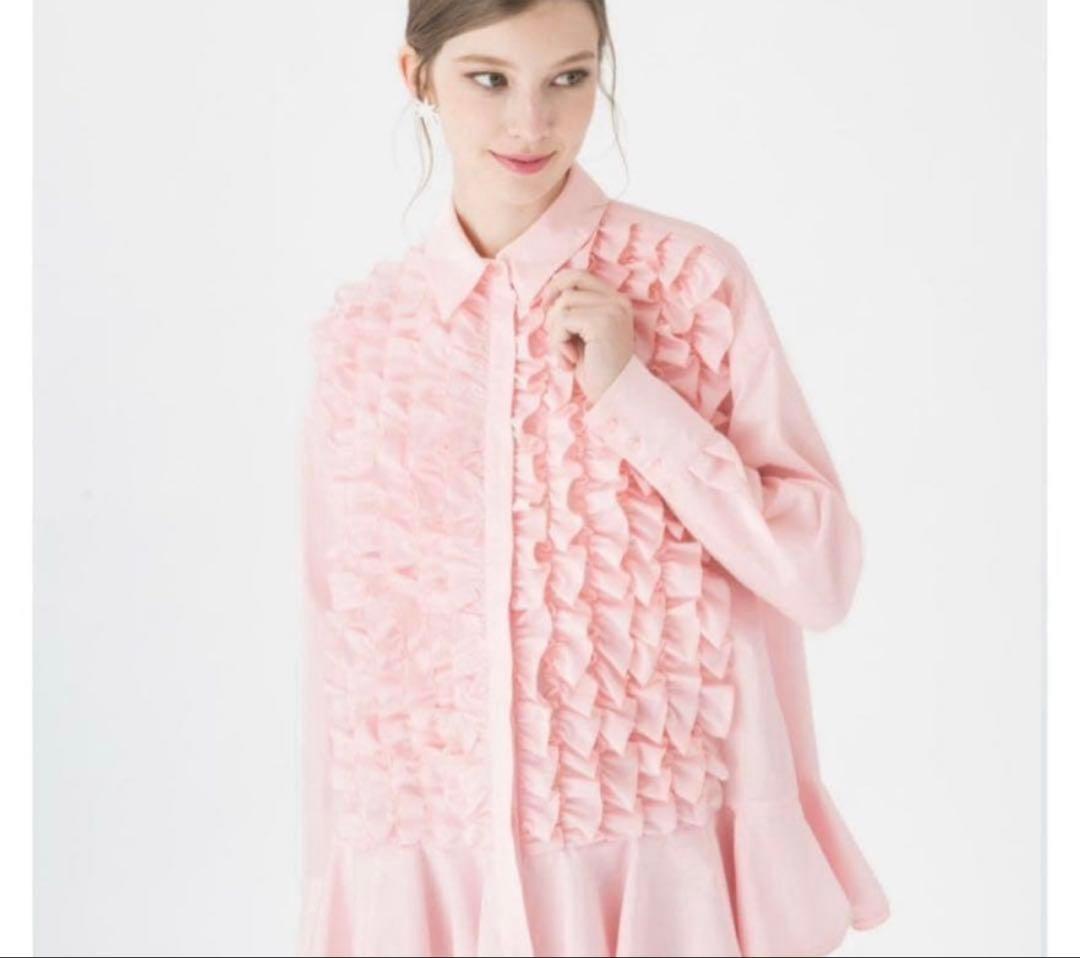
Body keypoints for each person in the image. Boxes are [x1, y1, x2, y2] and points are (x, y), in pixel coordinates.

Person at [297, 1, 891, 955]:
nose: (531, 122)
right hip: (429, 886)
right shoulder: (368, 337)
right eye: (489, 79)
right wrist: (333, 899)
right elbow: (338, 653)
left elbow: (817, 574)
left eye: (568, 78)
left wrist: (631, 393)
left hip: (653, 867)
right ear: (417, 78)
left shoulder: (691, 282)